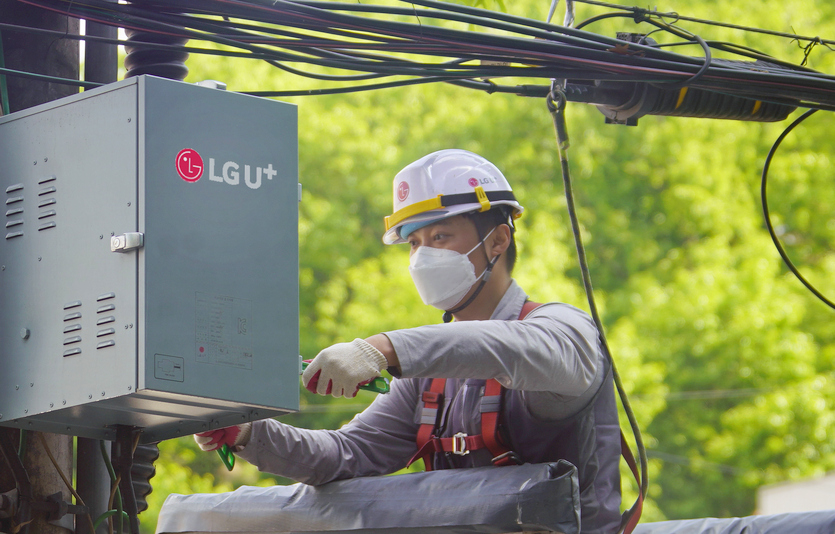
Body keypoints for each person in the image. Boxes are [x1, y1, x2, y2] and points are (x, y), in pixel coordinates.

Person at [194, 149, 623, 534]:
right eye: (413, 244)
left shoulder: (566, 332)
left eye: (439, 237)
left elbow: (507, 349)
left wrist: (381, 349)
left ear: (498, 239)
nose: (423, 257)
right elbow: (346, 454)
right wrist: (250, 432)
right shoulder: (429, 379)